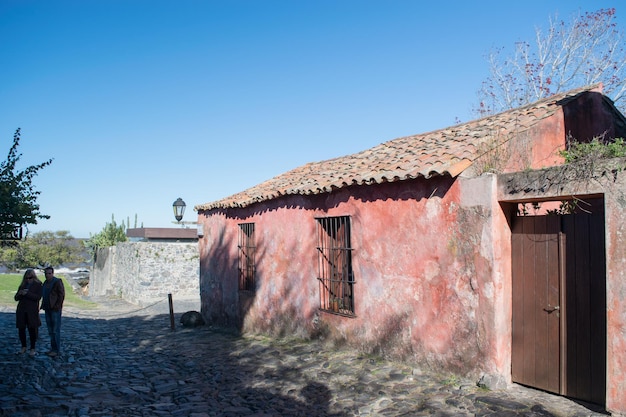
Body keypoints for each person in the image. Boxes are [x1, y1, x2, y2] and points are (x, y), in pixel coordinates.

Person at [14, 269, 43, 356]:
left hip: (32, 310)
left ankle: (32, 348)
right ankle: (23, 347)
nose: (28, 279)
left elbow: (38, 297)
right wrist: (20, 293)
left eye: (30, 278)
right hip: (22, 310)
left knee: (32, 329)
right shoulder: (22, 285)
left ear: (34, 277)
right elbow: (16, 298)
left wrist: (27, 293)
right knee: (21, 329)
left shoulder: (38, 285)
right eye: (26, 278)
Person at [41, 266, 65, 357]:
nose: (47, 275)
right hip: (47, 308)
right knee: (50, 330)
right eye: (46, 274)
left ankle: (56, 349)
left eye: (49, 273)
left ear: (53, 273)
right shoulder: (45, 283)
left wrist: (57, 306)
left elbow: (61, 295)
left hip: (55, 309)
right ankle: (53, 348)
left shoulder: (57, 282)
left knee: (55, 330)